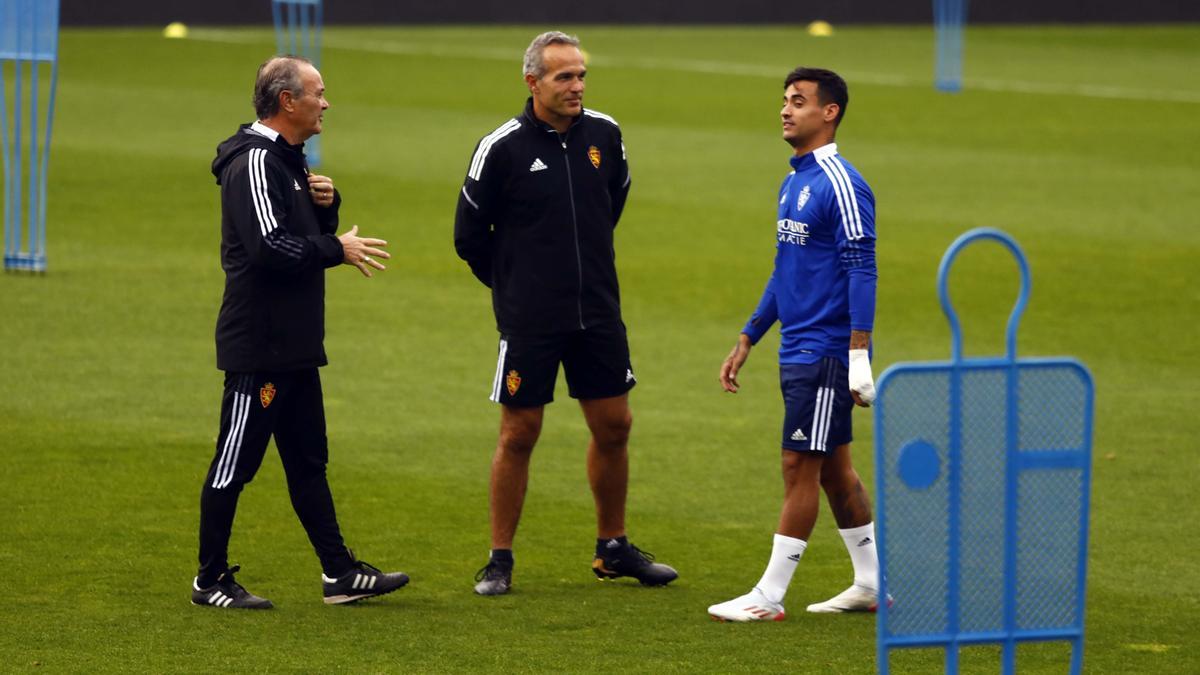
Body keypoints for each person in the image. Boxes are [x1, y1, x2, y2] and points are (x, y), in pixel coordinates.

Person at [454, 31, 677, 596]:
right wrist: (515, 285)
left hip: (598, 311)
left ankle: (613, 548)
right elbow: (469, 237)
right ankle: (499, 558)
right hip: (531, 318)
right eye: (564, 77)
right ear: (533, 82)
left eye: (580, 75)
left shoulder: (606, 133)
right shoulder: (500, 148)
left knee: (614, 426)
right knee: (520, 431)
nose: (577, 85)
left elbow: (612, 203)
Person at [193, 55, 407, 609]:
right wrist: (336, 248)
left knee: (308, 460)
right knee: (234, 463)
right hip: (260, 344)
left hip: (293, 344)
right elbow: (269, 248)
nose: (326, 103)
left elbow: (294, 235)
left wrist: (328, 211)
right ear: (288, 102)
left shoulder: (288, 160)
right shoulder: (257, 164)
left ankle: (339, 573)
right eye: (318, 92)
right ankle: (209, 580)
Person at [707, 67, 884, 622]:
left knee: (798, 464)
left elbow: (862, 267)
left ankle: (769, 596)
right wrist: (749, 336)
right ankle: (873, 583)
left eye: (800, 101)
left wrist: (858, 355)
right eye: (784, 100)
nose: (786, 109)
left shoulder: (842, 183)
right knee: (833, 469)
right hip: (797, 348)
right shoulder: (793, 182)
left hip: (826, 351)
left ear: (829, 113)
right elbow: (787, 271)